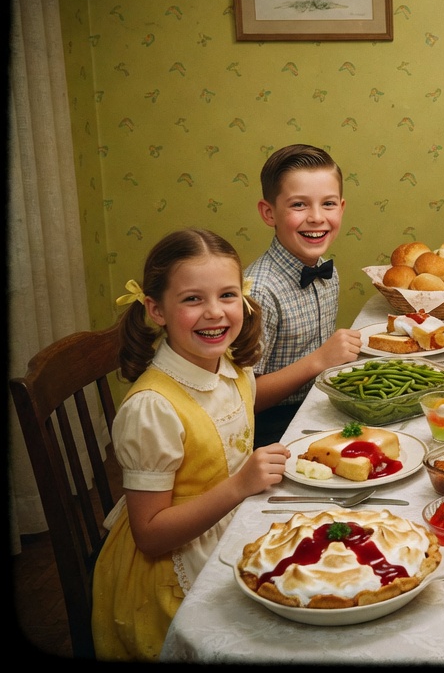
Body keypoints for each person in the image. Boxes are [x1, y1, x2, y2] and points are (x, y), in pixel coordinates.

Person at [91, 229, 290, 659]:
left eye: (227, 295)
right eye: (192, 299)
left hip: (230, 526)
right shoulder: (152, 409)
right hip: (171, 573)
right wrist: (240, 486)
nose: (214, 312)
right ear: (156, 310)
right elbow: (150, 535)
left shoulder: (232, 366)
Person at [246, 144, 361, 446]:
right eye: (299, 205)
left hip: (318, 408)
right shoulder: (258, 291)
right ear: (269, 212)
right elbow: (243, 399)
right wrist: (320, 360)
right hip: (271, 431)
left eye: (328, 204)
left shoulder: (326, 271)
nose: (316, 217)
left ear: (342, 208)